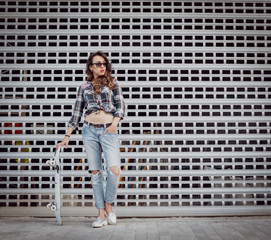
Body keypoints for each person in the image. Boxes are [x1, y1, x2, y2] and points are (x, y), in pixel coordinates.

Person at [56, 51, 125, 228]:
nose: (102, 66)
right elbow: (77, 112)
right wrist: (67, 135)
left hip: (108, 131)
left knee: (114, 170)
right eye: (98, 64)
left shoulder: (113, 83)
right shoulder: (84, 87)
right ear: (91, 67)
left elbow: (120, 106)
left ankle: (108, 205)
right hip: (89, 132)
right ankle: (101, 214)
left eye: (104, 63)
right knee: (95, 174)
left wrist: (114, 124)